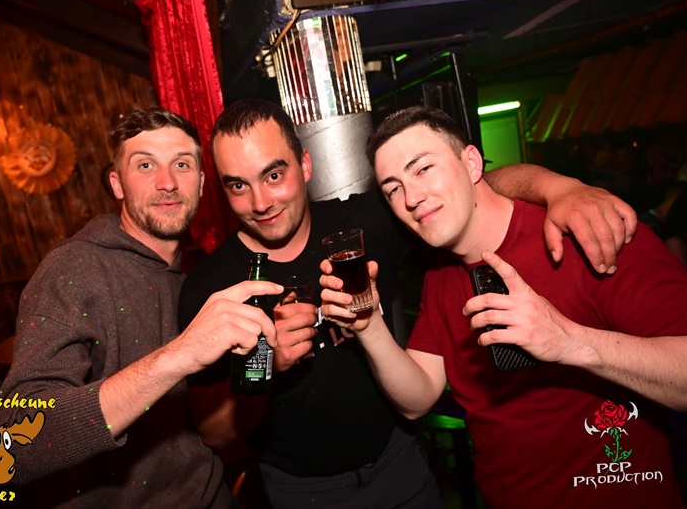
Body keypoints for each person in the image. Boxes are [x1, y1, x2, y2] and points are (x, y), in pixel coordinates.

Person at [178, 99, 638, 508]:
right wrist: (264, 365)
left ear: (305, 163)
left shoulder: (364, 222)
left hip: (400, 465)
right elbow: (214, 433)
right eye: (238, 186)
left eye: (274, 175)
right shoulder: (209, 286)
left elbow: (469, 187)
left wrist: (560, 188)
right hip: (303, 492)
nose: (260, 201)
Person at [319, 106, 687, 508]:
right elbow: (417, 400)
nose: (412, 198)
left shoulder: (587, 232)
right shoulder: (440, 273)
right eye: (393, 189)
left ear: (472, 163)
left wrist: (572, 342)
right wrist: (369, 326)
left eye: (423, 169)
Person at [0, 107, 282, 507]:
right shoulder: (74, 268)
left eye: (182, 164)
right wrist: (179, 355)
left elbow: (205, 429)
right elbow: (16, 442)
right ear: (117, 184)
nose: (167, 182)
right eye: (145, 165)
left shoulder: (193, 282)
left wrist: (268, 357)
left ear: (201, 184)